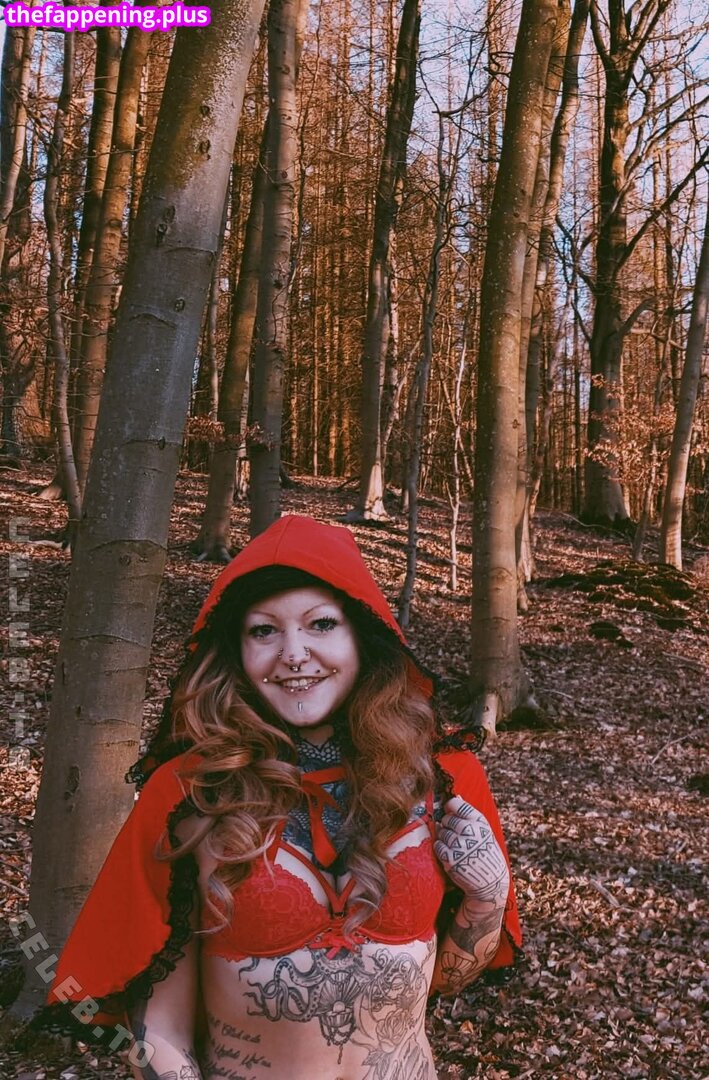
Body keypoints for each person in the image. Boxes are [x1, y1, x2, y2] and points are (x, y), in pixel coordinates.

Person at [39, 515, 521, 1080]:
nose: (294, 654)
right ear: (235, 650)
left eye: (321, 624)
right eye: (263, 631)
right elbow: (159, 1026)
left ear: (362, 637)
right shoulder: (191, 792)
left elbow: (443, 981)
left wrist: (488, 899)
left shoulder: (443, 778)